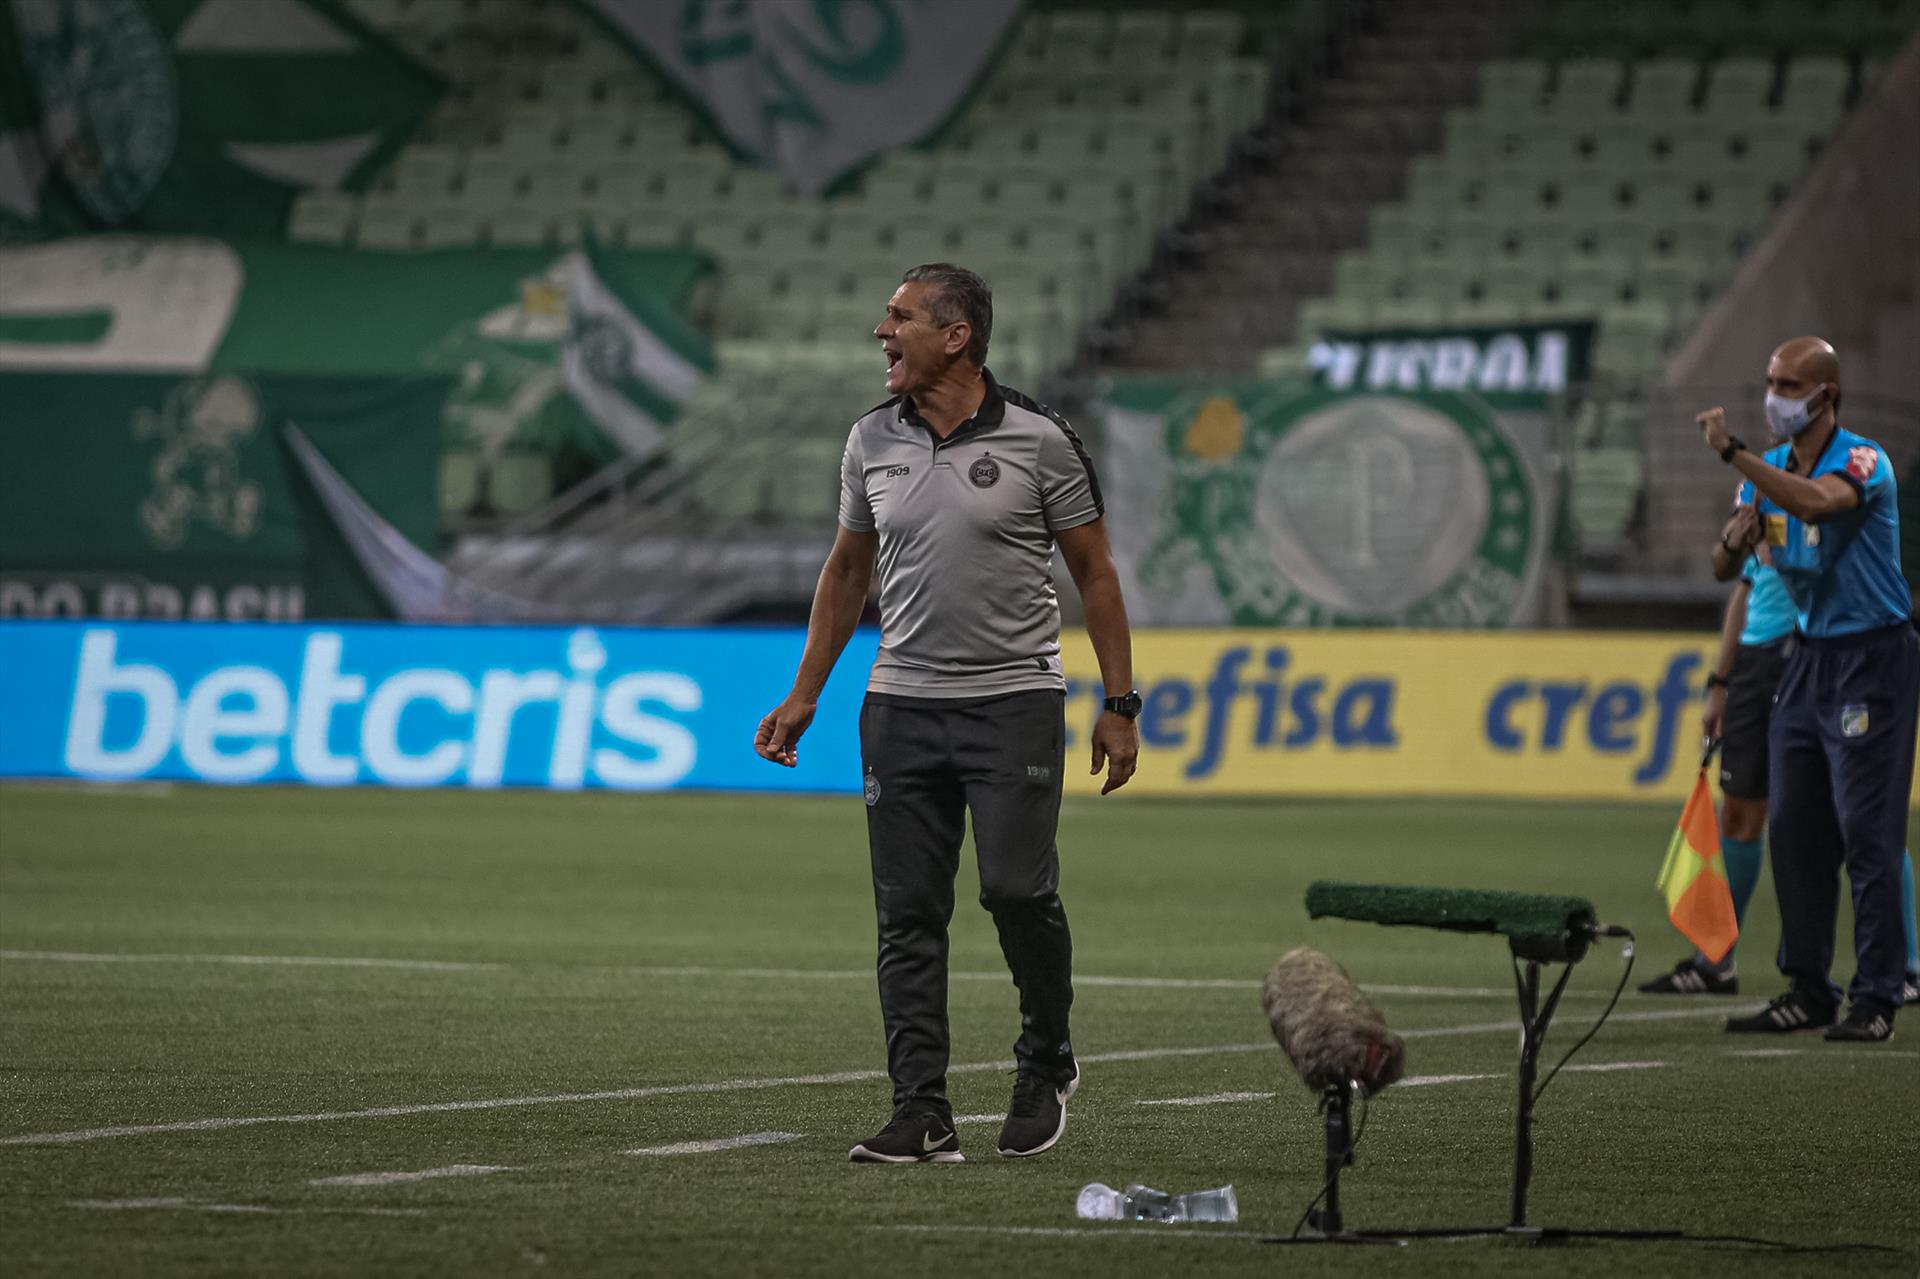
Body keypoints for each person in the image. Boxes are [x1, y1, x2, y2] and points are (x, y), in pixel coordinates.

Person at [754, 264, 1141, 1161]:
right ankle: (921, 1111)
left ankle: (1046, 1060)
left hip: (1014, 701)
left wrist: (1120, 702)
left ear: (956, 335)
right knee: (908, 915)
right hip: (900, 705)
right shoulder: (868, 440)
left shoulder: (1042, 439)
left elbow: (1096, 574)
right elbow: (847, 570)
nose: (881, 331)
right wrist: (805, 692)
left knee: (1015, 890)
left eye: (899, 316)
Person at [1700, 336, 1917, 1041]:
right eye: (1771, 382)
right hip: (1810, 656)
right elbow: (1721, 567)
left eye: (1789, 385)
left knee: (1866, 831)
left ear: (1828, 395)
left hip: (1872, 657)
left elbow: (1820, 505)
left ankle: (1878, 996)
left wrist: (1736, 454)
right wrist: (1735, 539)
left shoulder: (1861, 460)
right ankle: (1808, 987)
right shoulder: (1763, 475)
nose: (1775, 397)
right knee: (1793, 827)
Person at [1638, 539, 1793, 995]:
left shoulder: (1829, 495)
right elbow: (1740, 586)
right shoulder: (1757, 501)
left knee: (1850, 818)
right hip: (1755, 662)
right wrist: (1720, 683)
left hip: (1812, 649)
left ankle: (1902, 968)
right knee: (1739, 816)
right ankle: (1715, 961)